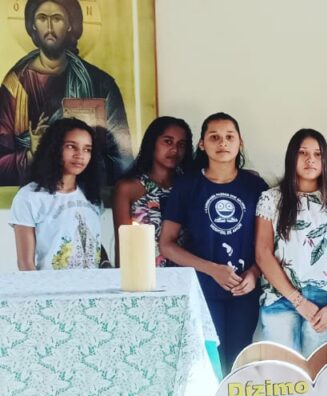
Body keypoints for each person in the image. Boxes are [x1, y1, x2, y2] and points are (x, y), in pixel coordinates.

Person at [160, 112, 267, 374]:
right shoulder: (187, 186)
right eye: (214, 137)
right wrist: (212, 269)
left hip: (244, 291)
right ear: (201, 144)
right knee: (208, 363)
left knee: (240, 361)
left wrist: (254, 274)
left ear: (240, 142)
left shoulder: (255, 186)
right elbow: (167, 244)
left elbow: (268, 242)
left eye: (230, 137)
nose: (223, 143)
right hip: (203, 290)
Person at [0, 0, 132, 186]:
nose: (49, 27)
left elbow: (122, 160)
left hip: (83, 195)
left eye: (57, 18)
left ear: (71, 25)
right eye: (42, 18)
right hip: (33, 196)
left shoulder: (100, 84)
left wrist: (79, 155)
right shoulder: (14, 85)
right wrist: (32, 153)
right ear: (33, 26)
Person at [254, 129, 327, 356]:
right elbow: (263, 253)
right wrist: (297, 300)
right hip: (280, 297)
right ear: (292, 157)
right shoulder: (272, 199)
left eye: (318, 154)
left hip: (323, 302)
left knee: (318, 374)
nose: (311, 159)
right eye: (303, 153)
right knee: (283, 374)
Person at [10, 117, 102, 270]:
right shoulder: (29, 197)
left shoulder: (91, 195)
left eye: (87, 149)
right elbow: (25, 264)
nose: (80, 155)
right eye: (71, 146)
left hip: (91, 289)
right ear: (54, 148)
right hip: (52, 290)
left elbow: (92, 242)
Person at [112, 116, 192, 266]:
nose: (175, 150)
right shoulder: (128, 188)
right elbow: (122, 247)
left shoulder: (188, 187)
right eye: (168, 141)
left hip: (186, 275)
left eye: (181, 144)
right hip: (143, 276)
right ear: (152, 143)